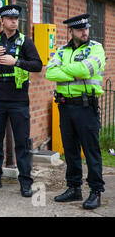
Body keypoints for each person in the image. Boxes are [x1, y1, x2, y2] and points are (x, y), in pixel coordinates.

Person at [0, 4, 42, 197]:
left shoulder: (25, 41)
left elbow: (37, 65)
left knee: (22, 142)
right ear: (2, 21)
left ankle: (25, 182)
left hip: (19, 100)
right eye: (10, 18)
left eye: (16, 18)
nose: (14, 21)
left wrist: (16, 62)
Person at [45, 13, 105, 210]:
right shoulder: (61, 50)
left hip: (86, 106)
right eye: (80, 29)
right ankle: (74, 188)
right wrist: (75, 69)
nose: (85, 32)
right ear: (70, 31)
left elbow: (87, 70)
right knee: (70, 150)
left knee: (91, 151)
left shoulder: (95, 48)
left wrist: (67, 70)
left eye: (86, 28)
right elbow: (50, 72)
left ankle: (96, 191)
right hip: (65, 105)